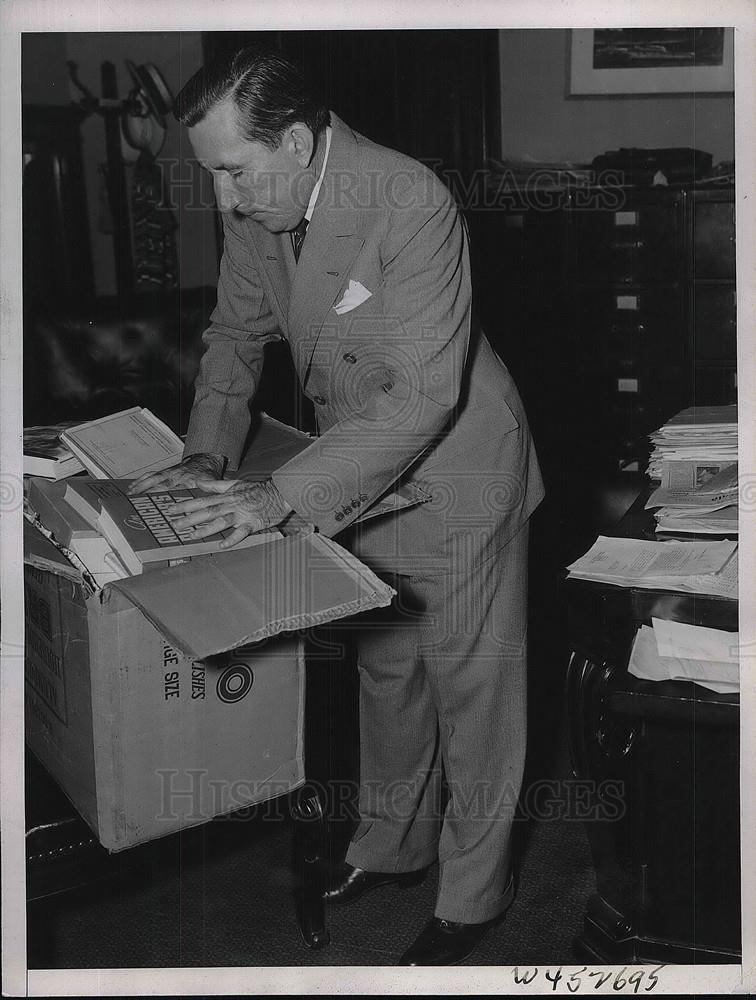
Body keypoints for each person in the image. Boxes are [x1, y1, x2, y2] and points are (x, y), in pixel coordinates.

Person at [132, 47, 544, 966]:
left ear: (298, 140)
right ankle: (395, 845)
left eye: (234, 173)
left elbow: (425, 394)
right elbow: (235, 335)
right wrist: (206, 455)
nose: (227, 201)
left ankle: (478, 892)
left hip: (458, 464)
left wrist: (278, 498)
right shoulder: (259, 202)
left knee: (473, 685)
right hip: (355, 465)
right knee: (387, 666)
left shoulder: (411, 201)